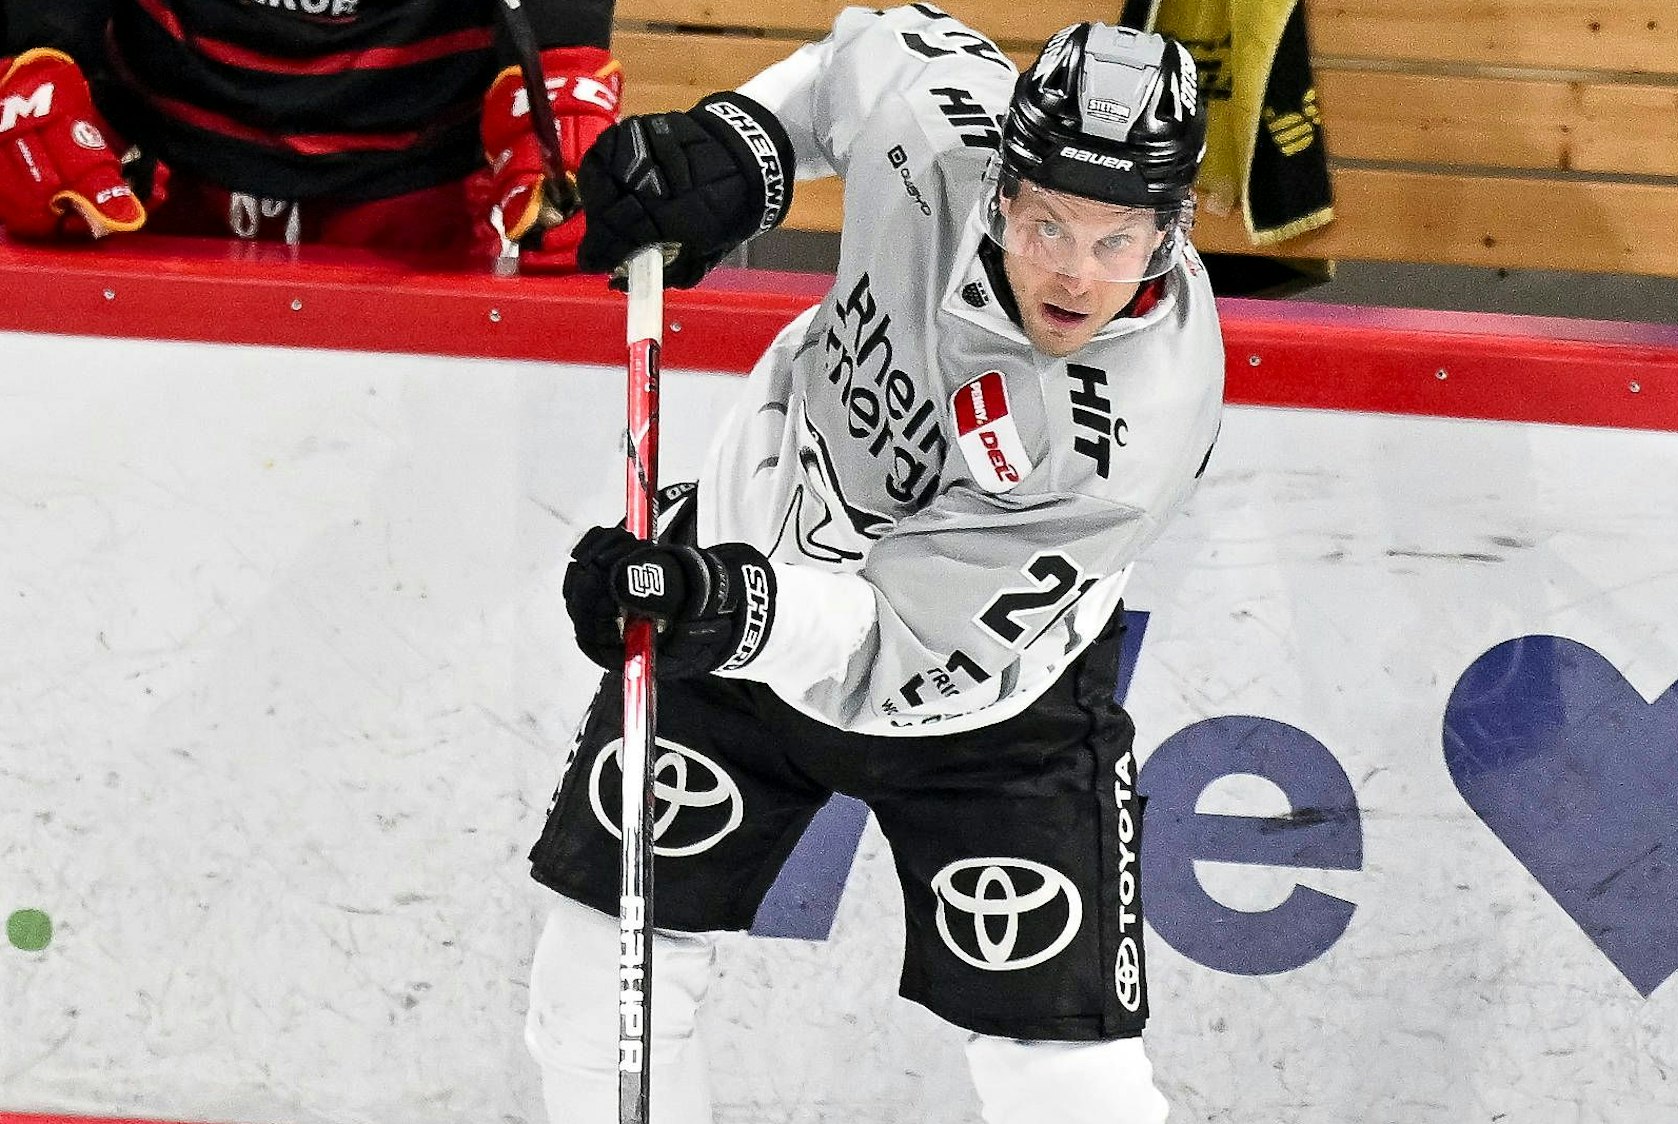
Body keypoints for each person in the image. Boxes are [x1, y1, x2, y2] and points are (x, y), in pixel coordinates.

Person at [528, 8, 1222, 1121]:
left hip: (984, 707)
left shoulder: (1129, 436)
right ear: (1002, 182)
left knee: (1067, 1082)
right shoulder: (940, 127)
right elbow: (851, 62)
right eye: (1046, 225)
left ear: (1170, 230)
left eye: (1116, 241)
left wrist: (715, 604)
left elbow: (890, 642)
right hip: (749, 549)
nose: (1076, 276)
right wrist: (742, 147)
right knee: (595, 976)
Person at [0, 1, 616, 267]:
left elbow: (558, 52)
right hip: (164, 171)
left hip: (417, 194)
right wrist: (37, 59)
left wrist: (557, 90)